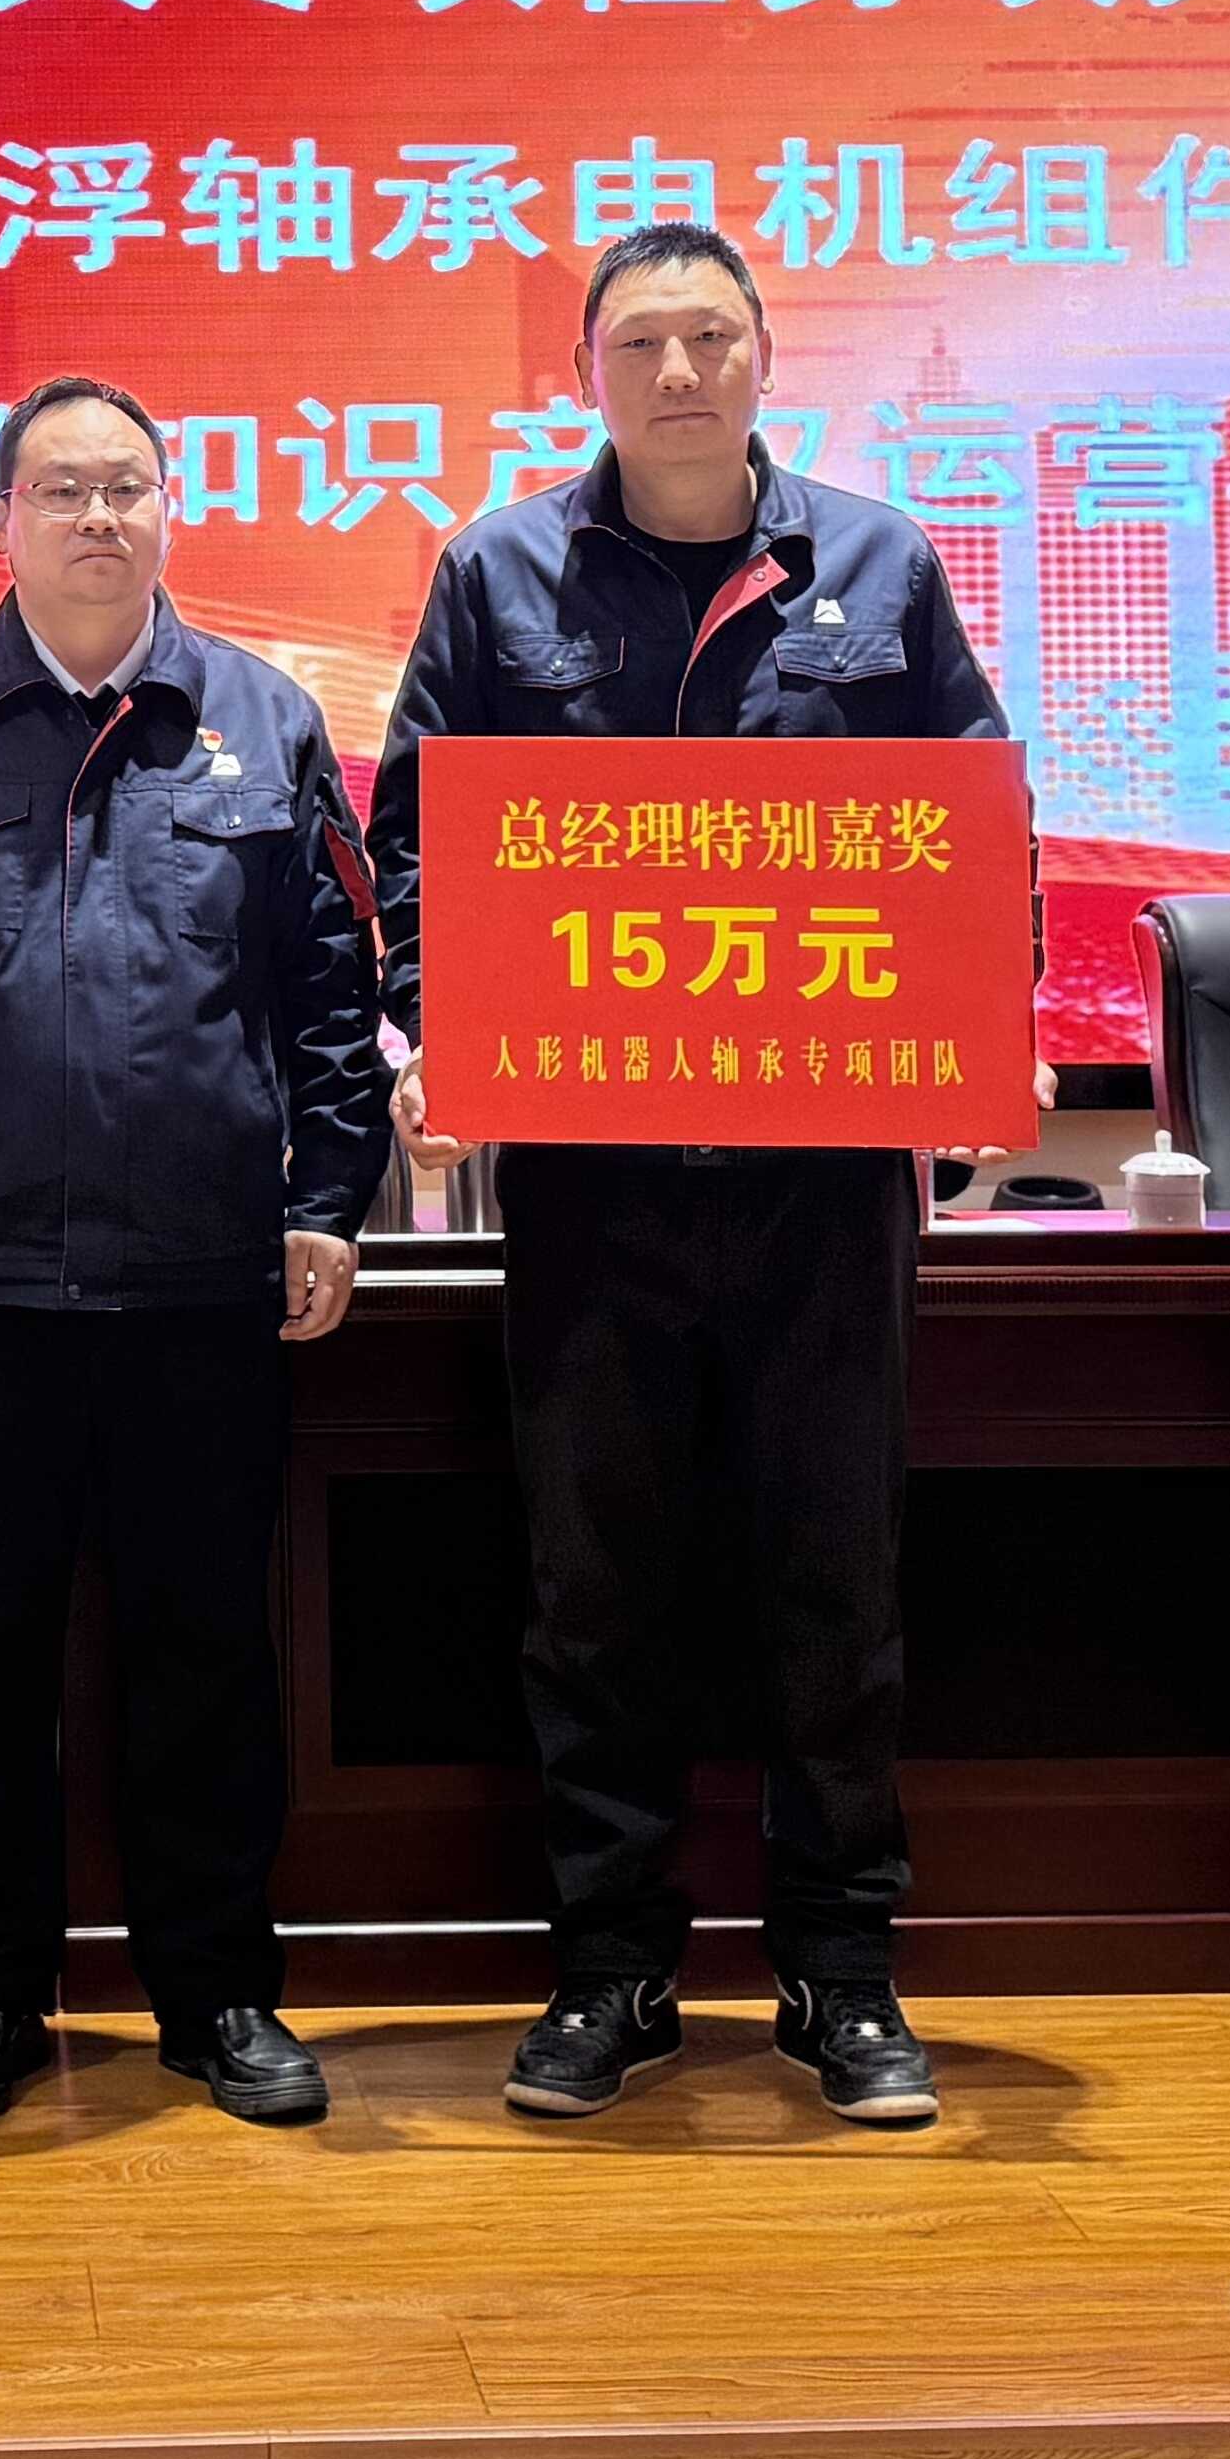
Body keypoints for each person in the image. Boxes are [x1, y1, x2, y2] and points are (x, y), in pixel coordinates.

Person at [365, 221, 1010, 2132]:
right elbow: (414, 840)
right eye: (640, 339)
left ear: (762, 359)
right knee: (595, 1586)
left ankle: (841, 1970)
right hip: (593, 1178)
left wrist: (975, 1021)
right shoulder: (498, 570)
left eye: (709, 335)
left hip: (820, 1175)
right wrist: (439, 1025)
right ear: (583, 369)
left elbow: (973, 814)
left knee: (833, 1577)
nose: (676, 369)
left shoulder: (876, 562)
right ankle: (610, 1966)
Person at [0, 377, 390, 2132]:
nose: (98, 516)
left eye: (127, 485)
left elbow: (328, 994)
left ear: (169, 508)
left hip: (203, 1266)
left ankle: (218, 1991)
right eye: (62, 489)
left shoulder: (265, 718)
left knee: (206, 1645)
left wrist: (326, 1198)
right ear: (2, 518)